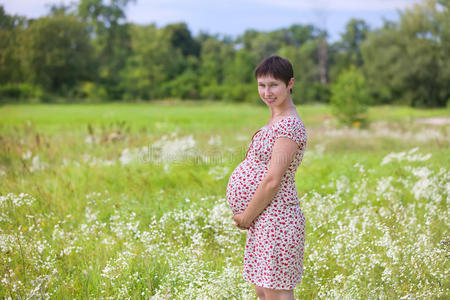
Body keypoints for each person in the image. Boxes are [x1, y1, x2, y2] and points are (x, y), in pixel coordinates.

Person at [226, 55, 307, 300]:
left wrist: (247, 216)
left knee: (277, 292)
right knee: (263, 290)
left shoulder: (289, 126)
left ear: (289, 83)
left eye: (274, 85)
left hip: (277, 218)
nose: (267, 92)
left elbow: (273, 180)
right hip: (265, 218)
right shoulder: (276, 120)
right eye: (262, 85)